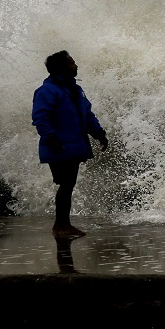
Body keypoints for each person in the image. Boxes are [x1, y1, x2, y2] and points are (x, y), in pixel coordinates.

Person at [32, 50, 108, 237]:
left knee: (68, 183)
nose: (76, 65)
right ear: (61, 67)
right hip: (59, 144)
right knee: (66, 183)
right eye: (72, 63)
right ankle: (61, 226)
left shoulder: (75, 89)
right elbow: (41, 117)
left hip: (73, 144)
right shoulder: (47, 90)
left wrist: (99, 134)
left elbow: (87, 115)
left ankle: (63, 225)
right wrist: (51, 138)